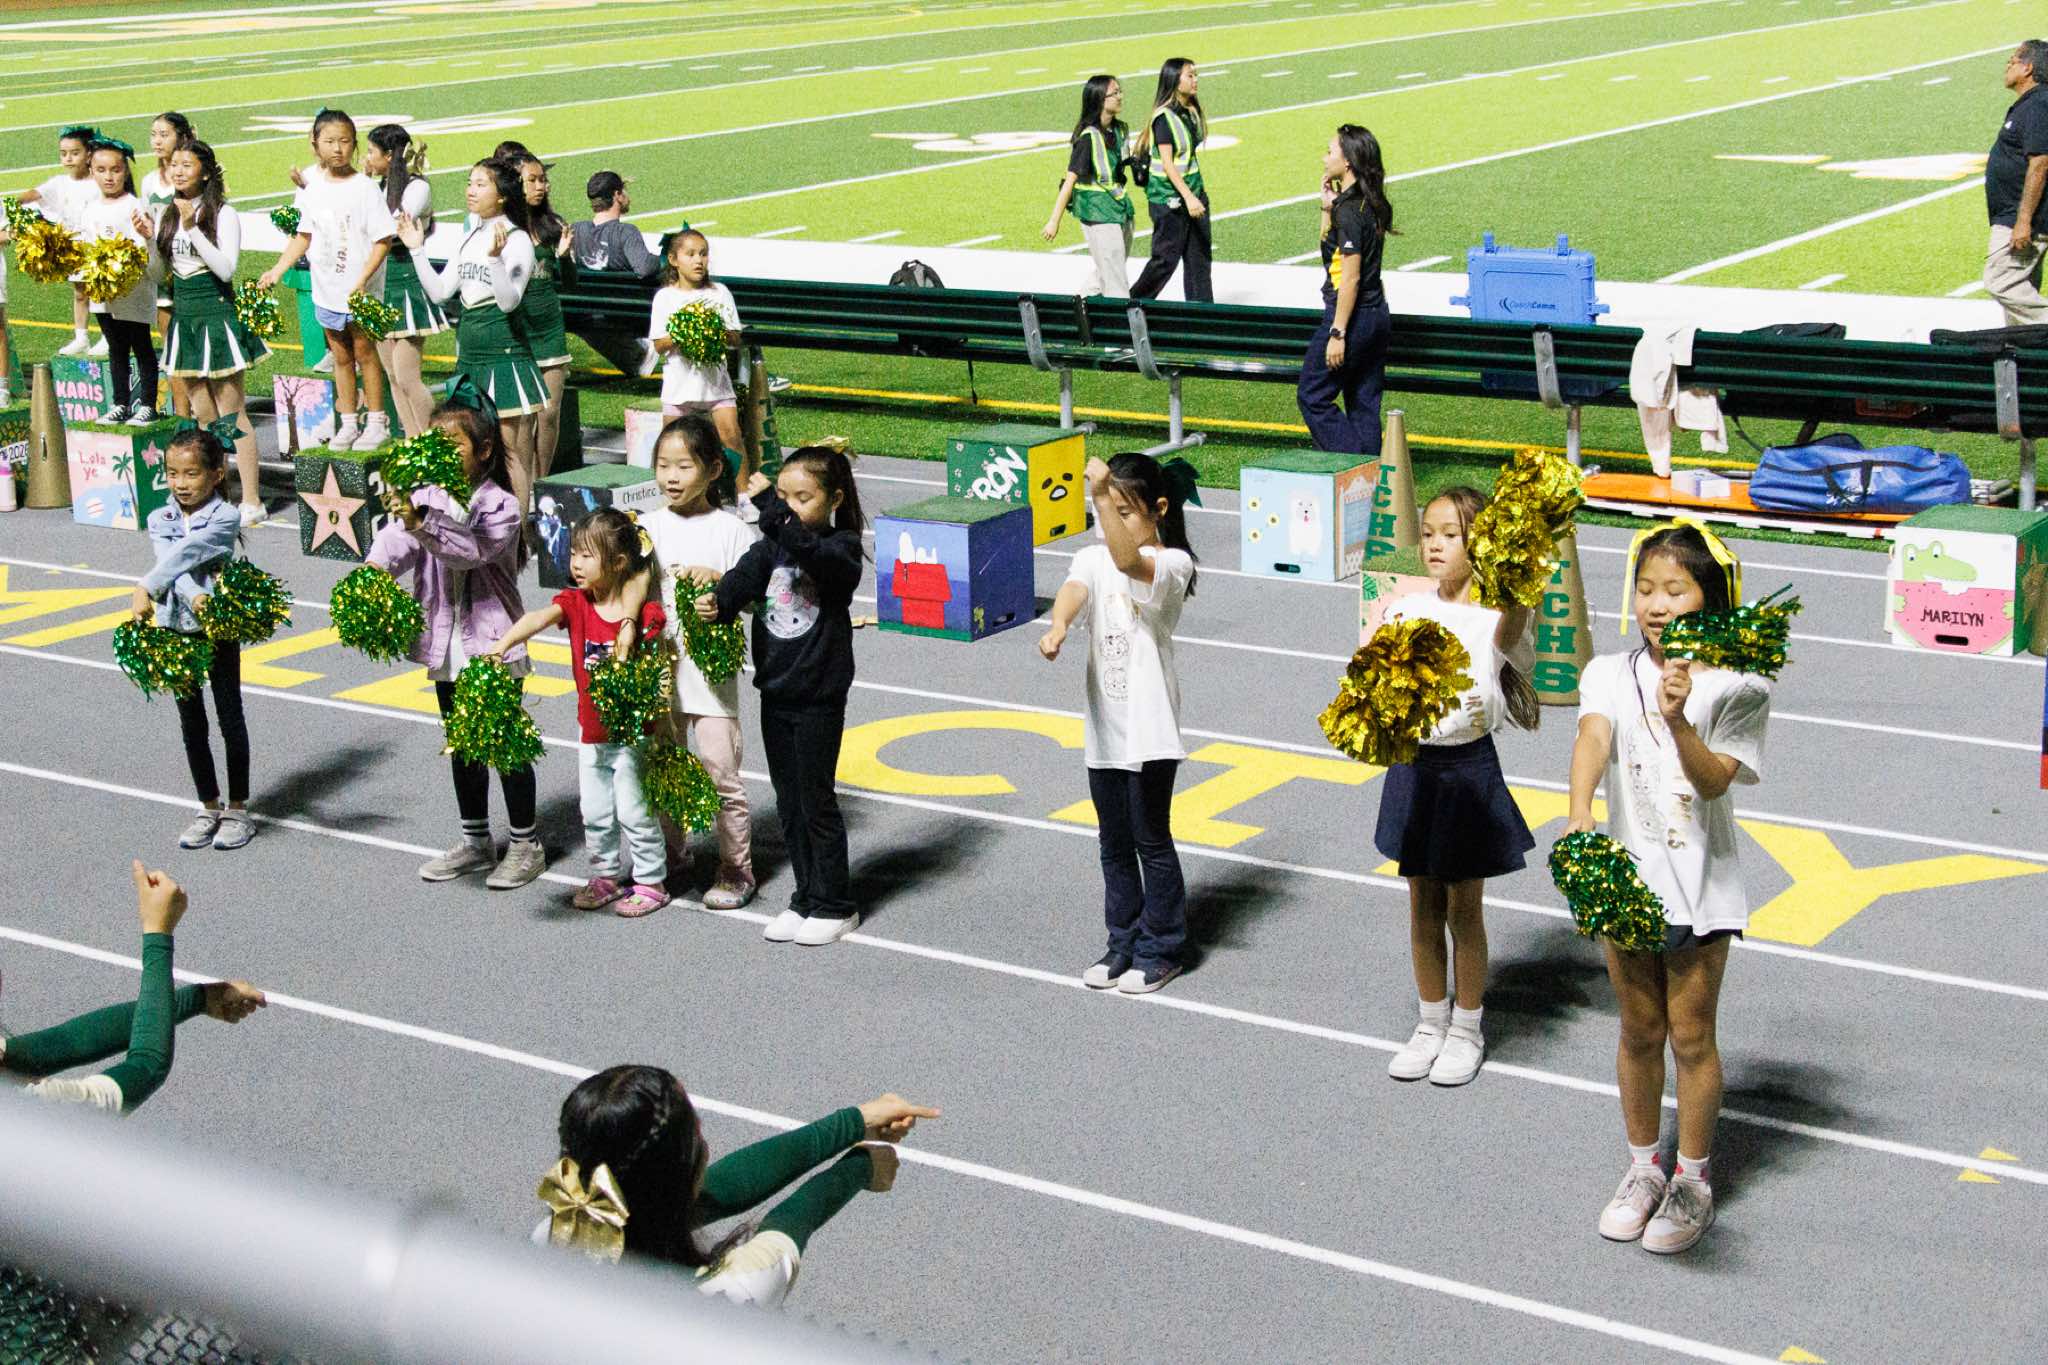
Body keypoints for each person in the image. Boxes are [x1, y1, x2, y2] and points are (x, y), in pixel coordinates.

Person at [1566, 520, 1770, 1255]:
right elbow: (1593, 735)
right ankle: (1643, 1168)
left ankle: (1693, 1179)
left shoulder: (1741, 685)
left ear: (1708, 597)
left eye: (1675, 589)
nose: (1656, 603)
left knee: (1691, 1036)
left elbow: (1713, 782)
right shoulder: (1606, 673)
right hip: (1628, 882)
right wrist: (1580, 811)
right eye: (1646, 588)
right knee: (1638, 1030)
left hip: (1700, 888)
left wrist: (1679, 718)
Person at [1373, 488, 1538, 1087]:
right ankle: (1429, 1023)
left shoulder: (1498, 615)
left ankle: (1467, 1028)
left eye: (1451, 534)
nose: (1435, 545)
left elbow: (1513, 623)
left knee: (1464, 909)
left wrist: (1518, 552)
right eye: (1428, 533)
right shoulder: (1403, 607)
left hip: (1468, 771)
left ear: (1481, 544)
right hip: (1413, 768)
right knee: (1421, 903)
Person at [539, 1067, 936, 1307]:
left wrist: (856, 1120)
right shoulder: (732, 1291)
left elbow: (718, 1189)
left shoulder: (554, 1234)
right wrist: (860, 1167)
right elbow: (790, 1223)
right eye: (697, 1133)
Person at [366, 395, 545, 890]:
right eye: (434, 443)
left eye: (453, 445)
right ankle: (475, 840)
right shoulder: (426, 497)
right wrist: (374, 570)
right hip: (445, 644)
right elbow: (397, 543)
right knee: (462, 745)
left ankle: (526, 844)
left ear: (483, 450)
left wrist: (419, 519)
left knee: (503, 743)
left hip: (494, 643)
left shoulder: (502, 505)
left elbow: (468, 551)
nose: (441, 453)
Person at [1038, 453, 1200, 995]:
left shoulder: (1172, 564)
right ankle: (1123, 941)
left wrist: (1100, 494)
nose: (1112, 520)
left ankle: (1162, 947)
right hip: (1105, 729)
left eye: (1124, 511)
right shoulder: (1092, 556)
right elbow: (1076, 589)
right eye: (1109, 510)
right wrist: (1059, 625)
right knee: (1113, 842)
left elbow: (1129, 563)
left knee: (1151, 839)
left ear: (1159, 509)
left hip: (1149, 731)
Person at [701, 448, 865, 946]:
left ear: (834, 499)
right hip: (776, 691)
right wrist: (719, 601)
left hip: (818, 696)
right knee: (789, 803)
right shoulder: (773, 546)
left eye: (802, 498)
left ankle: (836, 904)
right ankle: (805, 896)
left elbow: (814, 555)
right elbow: (745, 575)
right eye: (784, 496)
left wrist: (773, 513)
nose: (791, 507)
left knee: (816, 801)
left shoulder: (841, 547)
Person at [490, 508, 671, 918]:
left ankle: (651, 881)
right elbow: (538, 618)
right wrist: (503, 645)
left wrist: (661, 722)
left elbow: (660, 669)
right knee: (594, 811)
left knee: (635, 811)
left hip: (634, 735)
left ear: (619, 562)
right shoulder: (576, 603)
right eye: (574, 553)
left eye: (587, 555)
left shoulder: (644, 615)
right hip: (591, 734)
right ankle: (605, 876)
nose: (576, 563)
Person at [0, 863, 264, 1115]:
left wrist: (198, 1000)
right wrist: (157, 933)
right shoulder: (27, 1108)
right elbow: (147, 1066)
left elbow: (66, 1042)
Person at [642, 416, 759, 909]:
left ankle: (736, 869)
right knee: (665, 768)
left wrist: (721, 583)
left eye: (683, 466)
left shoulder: (732, 530)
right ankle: (672, 857)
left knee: (720, 772)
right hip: (660, 672)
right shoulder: (646, 528)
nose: (671, 477)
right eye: (663, 465)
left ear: (713, 470)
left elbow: (756, 601)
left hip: (710, 676)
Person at [129, 427, 257, 851]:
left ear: (217, 474)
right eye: (172, 473)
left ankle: (238, 808)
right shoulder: (159, 519)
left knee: (229, 717)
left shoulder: (226, 517)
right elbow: (170, 563)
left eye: (191, 473)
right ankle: (208, 805)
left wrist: (147, 585)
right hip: (175, 628)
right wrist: (192, 593)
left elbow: (189, 554)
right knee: (191, 722)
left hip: (217, 630)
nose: (180, 483)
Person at [398, 160, 548, 510]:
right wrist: (417, 250)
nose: (471, 190)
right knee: (473, 450)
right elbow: (440, 292)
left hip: (504, 355)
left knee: (508, 451)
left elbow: (509, 302)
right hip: (469, 356)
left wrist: (495, 260)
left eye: (481, 184)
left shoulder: (517, 240)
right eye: (470, 182)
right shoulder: (470, 236)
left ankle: (517, 529)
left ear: (502, 195)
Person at [256, 109, 397, 451]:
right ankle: (348, 423)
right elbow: (304, 235)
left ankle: (376, 421)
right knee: (340, 356)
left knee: (365, 354)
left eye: (345, 141)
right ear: (315, 144)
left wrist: (363, 279)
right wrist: (277, 269)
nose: (337, 149)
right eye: (330, 141)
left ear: (354, 145)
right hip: (327, 290)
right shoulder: (313, 188)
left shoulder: (365, 189)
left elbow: (383, 240)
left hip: (360, 293)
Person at [155, 141, 269, 526]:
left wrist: (193, 229)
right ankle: (217, 496)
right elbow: (159, 275)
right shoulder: (167, 214)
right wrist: (148, 241)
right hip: (185, 320)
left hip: (218, 319)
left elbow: (226, 269)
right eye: (174, 164)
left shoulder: (223, 213)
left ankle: (251, 499)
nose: (178, 170)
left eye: (187, 164)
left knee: (231, 417)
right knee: (203, 415)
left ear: (205, 172)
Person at [1298, 124, 1392, 456]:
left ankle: (1355, 468)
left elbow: (1349, 279)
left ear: (1348, 160)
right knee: (1363, 403)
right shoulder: (1369, 203)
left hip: (1352, 318)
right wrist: (1327, 210)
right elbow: (1334, 257)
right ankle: (1371, 478)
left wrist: (1337, 332)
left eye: (1330, 151)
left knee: (1312, 396)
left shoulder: (1351, 212)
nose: (1324, 158)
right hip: (1376, 315)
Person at [365, 123, 446, 438]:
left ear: (389, 155)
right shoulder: (381, 186)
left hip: (408, 281)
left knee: (407, 377)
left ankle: (434, 443)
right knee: (392, 376)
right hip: (381, 282)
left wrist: (364, 194)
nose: (366, 157)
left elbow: (393, 224)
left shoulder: (417, 187)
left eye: (371, 151)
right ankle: (414, 441)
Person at [79, 136, 158, 423]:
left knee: (141, 345)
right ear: (91, 172)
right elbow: (87, 245)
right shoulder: (90, 208)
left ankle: (148, 404)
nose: (109, 177)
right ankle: (120, 403)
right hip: (104, 292)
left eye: (116, 169)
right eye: (101, 170)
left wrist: (120, 264)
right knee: (116, 347)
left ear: (125, 171)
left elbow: (142, 247)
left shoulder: (135, 205)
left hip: (133, 290)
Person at [647, 229, 745, 460]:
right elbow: (659, 345)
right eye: (690, 254)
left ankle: (741, 485)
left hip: (716, 384)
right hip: (678, 386)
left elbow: (735, 338)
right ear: (673, 260)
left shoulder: (720, 293)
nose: (698, 260)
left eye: (703, 254)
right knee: (671, 445)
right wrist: (685, 331)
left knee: (732, 439)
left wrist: (712, 330)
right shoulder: (665, 297)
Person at [510, 154, 574, 479]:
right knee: (524, 417)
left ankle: (542, 480)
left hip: (550, 328)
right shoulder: (506, 228)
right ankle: (523, 484)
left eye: (543, 180)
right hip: (518, 331)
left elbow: (571, 283)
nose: (540, 186)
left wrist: (564, 258)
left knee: (549, 414)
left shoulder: (554, 225)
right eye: (532, 180)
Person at [1042, 74, 1134, 297]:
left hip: (1120, 208)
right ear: (1099, 99)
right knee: (1115, 278)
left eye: (1120, 91)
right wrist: (1054, 221)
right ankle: (1121, 318)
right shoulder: (1087, 138)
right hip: (1097, 213)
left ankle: (1077, 309)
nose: (1120, 96)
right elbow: (1069, 181)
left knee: (1107, 272)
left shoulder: (1120, 130)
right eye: (1114, 93)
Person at [1129, 57, 1212, 303]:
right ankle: (1131, 306)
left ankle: (1203, 315)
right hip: (1169, 201)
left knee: (1199, 261)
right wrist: (1189, 198)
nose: (1195, 80)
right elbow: (1168, 164)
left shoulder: (1190, 111)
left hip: (1193, 194)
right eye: (1190, 75)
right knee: (1164, 261)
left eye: (1196, 75)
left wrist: (1195, 196)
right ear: (1175, 80)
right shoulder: (1164, 117)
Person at [1985, 41, 2048, 325]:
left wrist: (2023, 221)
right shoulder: (2030, 104)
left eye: (2012, 61)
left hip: (2021, 219)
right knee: (2019, 299)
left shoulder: (2038, 104)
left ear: (2028, 68)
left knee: (2001, 281)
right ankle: (2024, 352)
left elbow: (2041, 162)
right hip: (2017, 217)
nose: (2007, 66)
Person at [23, 125, 100, 359]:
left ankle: (109, 336)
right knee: (80, 293)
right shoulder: (59, 182)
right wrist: (13, 203)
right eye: (63, 153)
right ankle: (81, 337)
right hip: (74, 248)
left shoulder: (99, 181)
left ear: (89, 154)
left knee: (103, 293)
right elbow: (34, 194)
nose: (68, 158)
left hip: (99, 245)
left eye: (75, 153)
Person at [138, 111, 194, 421]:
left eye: (164, 134)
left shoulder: (193, 176)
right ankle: (183, 419)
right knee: (171, 349)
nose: (157, 141)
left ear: (182, 137)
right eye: (153, 135)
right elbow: (147, 221)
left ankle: (208, 417)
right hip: (162, 271)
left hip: (192, 270)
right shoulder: (149, 181)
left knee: (196, 346)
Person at [569, 171, 659, 277]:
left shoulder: (575, 230)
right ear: (617, 195)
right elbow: (644, 269)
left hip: (584, 287)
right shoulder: (625, 232)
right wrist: (662, 259)